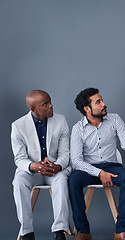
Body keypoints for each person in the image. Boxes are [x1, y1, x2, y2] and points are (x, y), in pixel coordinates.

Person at [69, 88, 125, 240]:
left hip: (112, 166)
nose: (104, 104)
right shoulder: (78, 129)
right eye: (98, 102)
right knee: (73, 180)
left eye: (102, 100)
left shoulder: (114, 119)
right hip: (89, 169)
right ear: (87, 109)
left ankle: (121, 231)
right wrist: (99, 173)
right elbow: (76, 161)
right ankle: (83, 232)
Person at [11, 90, 70, 240]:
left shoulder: (61, 120)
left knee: (62, 180)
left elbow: (65, 153)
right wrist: (33, 166)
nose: (51, 106)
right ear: (33, 109)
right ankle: (27, 232)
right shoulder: (18, 126)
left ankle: (60, 231)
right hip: (32, 172)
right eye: (46, 104)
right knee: (18, 181)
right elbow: (19, 158)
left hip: (55, 170)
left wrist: (57, 166)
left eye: (50, 101)